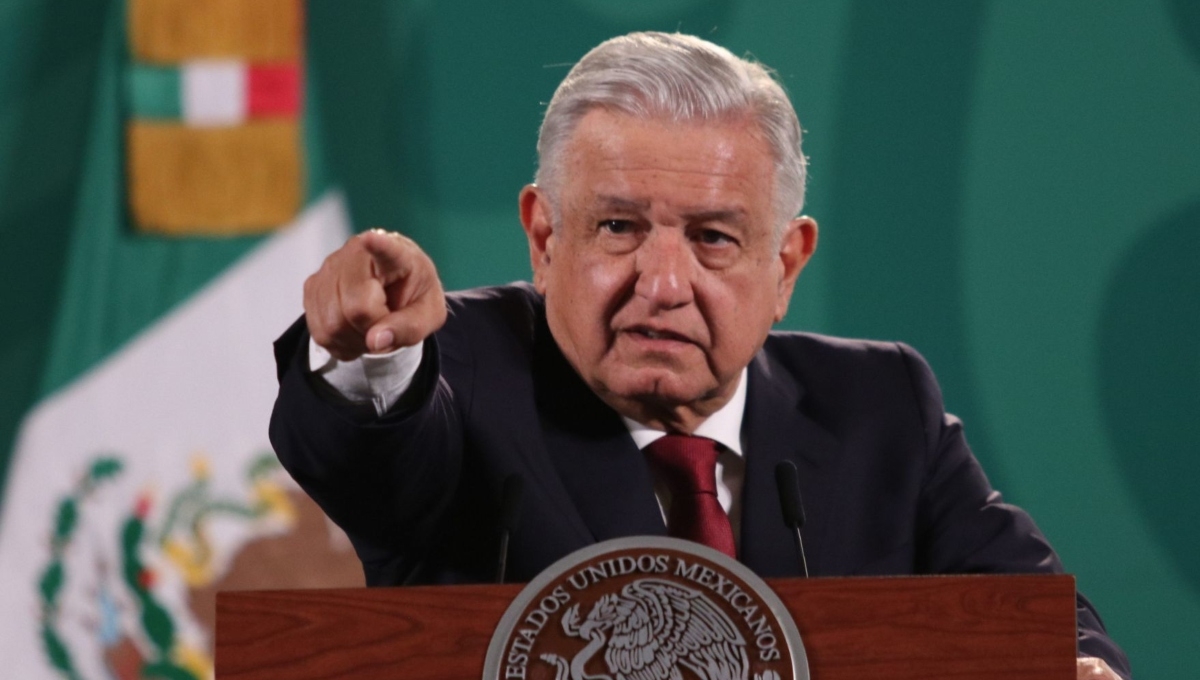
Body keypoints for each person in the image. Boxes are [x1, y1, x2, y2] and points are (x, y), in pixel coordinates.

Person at [269, 32, 1130, 679]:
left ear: (785, 263)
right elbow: (370, 456)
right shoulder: (459, 371)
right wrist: (371, 354)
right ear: (542, 236)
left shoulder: (880, 405)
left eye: (714, 238)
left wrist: (1077, 667)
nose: (663, 282)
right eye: (619, 227)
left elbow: (1039, 619)